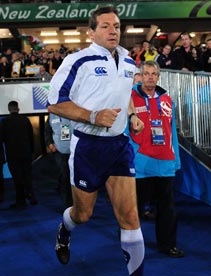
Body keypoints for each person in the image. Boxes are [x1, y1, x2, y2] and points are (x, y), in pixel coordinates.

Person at [47, 6, 145, 275]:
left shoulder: (127, 60)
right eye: (105, 26)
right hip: (87, 147)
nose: (113, 30)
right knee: (83, 215)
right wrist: (92, 115)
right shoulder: (77, 61)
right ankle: (65, 228)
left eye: (116, 26)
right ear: (91, 32)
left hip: (119, 145)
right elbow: (54, 104)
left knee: (130, 217)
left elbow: (124, 94)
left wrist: (133, 115)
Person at [128, 61, 184, 258]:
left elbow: (171, 132)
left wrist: (175, 159)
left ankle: (167, 245)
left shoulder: (167, 99)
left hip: (165, 163)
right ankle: (131, 245)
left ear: (158, 76)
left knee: (167, 209)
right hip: (140, 164)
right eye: (146, 73)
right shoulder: (130, 99)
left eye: (153, 73)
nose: (150, 77)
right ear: (141, 76)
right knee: (135, 209)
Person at [1, 101, 37, 209]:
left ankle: (20, 201)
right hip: (26, 154)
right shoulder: (25, 120)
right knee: (27, 176)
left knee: (17, 179)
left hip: (13, 155)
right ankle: (31, 196)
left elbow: (1, 138)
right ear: (18, 109)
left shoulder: (5, 121)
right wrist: (32, 152)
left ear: (9, 109)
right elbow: (31, 137)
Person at [44, 113, 74, 208]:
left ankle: (77, 203)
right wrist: (50, 144)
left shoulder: (74, 112)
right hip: (59, 152)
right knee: (65, 177)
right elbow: (47, 131)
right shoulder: (51, 116)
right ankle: (68, 205)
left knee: (73, 178)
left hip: (75, 151)